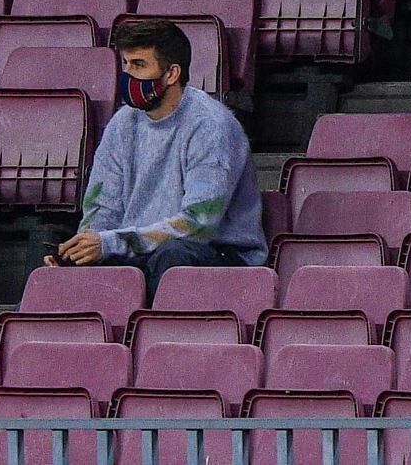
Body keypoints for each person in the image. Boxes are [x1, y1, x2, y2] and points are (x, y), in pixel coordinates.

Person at [44, 19, 267, 299]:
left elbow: (198, 224)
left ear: (172, 73)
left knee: (173, 256)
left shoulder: (212, 126)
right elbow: (102, 209)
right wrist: (81, 251)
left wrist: (111, 243)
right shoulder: (121, 124)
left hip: (218, 255)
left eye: (138, 65)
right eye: (125, 64)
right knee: (62, 272)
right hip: (139, 251)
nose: (127, 75)